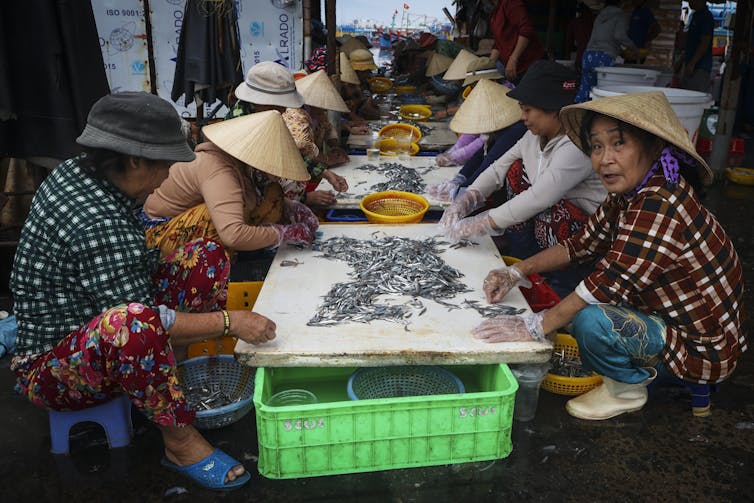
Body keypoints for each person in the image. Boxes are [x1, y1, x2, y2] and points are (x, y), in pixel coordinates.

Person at [9, 92, 277, 491]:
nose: (169, 176)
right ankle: (179, 441)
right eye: (166, 165)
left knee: (205, 255)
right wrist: (230, 321)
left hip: (97, 322)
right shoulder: (95, 221)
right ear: (134, 160)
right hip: (53, 369)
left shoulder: (84, 172)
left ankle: (163, 387)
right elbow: (144, 318)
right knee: (134, 324)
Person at [474, 91, 746, 421]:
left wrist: (534, 326)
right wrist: (517, 272)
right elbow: (580, 245)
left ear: (652, 146)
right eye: (596, 146)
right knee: (570, 304)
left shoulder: (660, 203)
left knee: (589, 320)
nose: (605, 159)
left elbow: (606, 284)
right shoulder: (631, 193)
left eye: (619, 144)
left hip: (700, 349)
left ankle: (627, 389)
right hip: (670, 317)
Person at [439, 61, 606, 296]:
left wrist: (483, 223)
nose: (523, 117)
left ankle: (561, 282)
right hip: (548, 223)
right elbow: (499, 167)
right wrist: (467, 198)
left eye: (528, 110)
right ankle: (526, 258)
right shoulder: (534, 136)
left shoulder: (576, 145)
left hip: (581, 233)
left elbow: (540, 197)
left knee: (527, 195)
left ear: (553, 109)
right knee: (515, 170)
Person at [144, 110, 319, 257]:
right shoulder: (219, 170)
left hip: (180, 227)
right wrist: (282, 233)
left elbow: (255, 198)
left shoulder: (239, 166)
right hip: (159, 236)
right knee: (218, 218)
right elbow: (232, 235)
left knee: (272, 193)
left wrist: (291, 207)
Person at [228, 61, 347, 206]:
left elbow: (288, 152)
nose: (284, 110)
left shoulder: (266, 115)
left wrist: (327, 174)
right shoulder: (240, 125)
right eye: (278, 105)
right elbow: (253, 181)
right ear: (260, 101)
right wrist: (305, 199)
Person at [429, 79, 527, 201]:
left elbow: (491, 162)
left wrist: (463, 190)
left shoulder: (515, 129)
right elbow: (481, 153)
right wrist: (460, 178)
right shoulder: (500, 125)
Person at [575, 0, 636, 103]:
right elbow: (619, 36)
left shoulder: (600, 16)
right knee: (601, 92)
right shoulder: (620, 15)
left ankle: (577, 115)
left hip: (588, 54)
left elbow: (601, 37)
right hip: (604, 57)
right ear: (621, 3)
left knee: (585, 89)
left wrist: (618, 50)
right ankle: (596, 117)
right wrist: (633, 47)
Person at [295, 69, 351, 168]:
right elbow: (302, 146)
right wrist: (326, 159)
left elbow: (328, 128)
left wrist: (335, 147)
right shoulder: (297, 114)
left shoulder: (319, 113)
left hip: (313, 165)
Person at [487, 0, 546, 83]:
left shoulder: (510, 2)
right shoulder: (495, 12)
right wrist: (489, 65)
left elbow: (526, 29)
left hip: (529, 66)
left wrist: (513, 58)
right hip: (512, 69)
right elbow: (498, 43)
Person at [680, 0, 714, 93]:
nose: (691, 2)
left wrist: (693, 63)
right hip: (690, 64)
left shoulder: (706, 17)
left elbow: (705, 43)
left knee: (695, 95)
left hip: (699, 67)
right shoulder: (695, 15)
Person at [564, 2, 596, 74]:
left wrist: (567, 55)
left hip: (582, 53)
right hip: (593, 52)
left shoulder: (575, 22)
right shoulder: (593, 21)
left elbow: (569, 41)